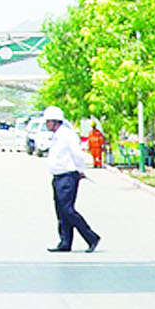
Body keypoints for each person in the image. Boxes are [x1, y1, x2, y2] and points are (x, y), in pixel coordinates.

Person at [45, 106, 101, 253]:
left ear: (56, 121)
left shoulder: (67, 135)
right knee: (61, 211)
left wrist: (81, 170)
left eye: (48, 121)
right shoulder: (57, 136)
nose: (47, 124)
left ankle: (91, 237)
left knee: (67, 210)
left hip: (68, 176)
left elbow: (77, 154)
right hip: (58, 177)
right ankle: (65, 242)